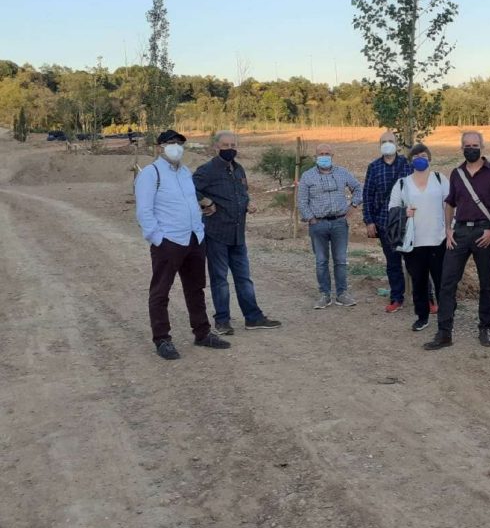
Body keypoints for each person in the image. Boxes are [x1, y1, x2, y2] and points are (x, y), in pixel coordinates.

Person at [134, 129, 231, 360]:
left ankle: (202, 332)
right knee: (161, 291)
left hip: (194, 238)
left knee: (195, 288)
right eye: (170, 143)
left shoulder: (185, 172)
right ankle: (162, 339)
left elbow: (190, 201)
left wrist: (200, 221)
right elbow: (144, 211)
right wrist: (157, 238)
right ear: (160, 147)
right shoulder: (150, 173)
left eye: (179, 143)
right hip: (168, 241)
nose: (176, 147)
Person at [193, 130, 283, 335]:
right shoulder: (207, 170)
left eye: (233, 145)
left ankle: (253, 317)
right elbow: (189, 189)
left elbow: (242, 193)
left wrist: (247, 204)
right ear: (216, 147)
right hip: (217, 233)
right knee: (220, 279)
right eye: (225, 145)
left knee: (244, 278)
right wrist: (205, 202)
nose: (230, 149)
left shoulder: (239, 169)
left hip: (237, 234)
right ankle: (222, 321)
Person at [423, 131, 490, 350]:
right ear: (461, 148)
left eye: (475, 144)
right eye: (467, 145)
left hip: (484, 234)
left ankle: (485, 328)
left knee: (486, 283)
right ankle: (444, 332)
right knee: (447, 282)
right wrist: (448, 230)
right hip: (459, 233)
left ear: (482, 146)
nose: (471, 148)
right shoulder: (456, 173)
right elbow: (450, 203)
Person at [388, 143, 449, 332]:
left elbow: (450, 205)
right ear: (410, 161)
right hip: (414, 242)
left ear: (429, 158)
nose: (419, 159)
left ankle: (446, 318)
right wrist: (404, 212)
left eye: (422, 155)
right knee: (419, 282)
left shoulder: (440, 179)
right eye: (415, 157)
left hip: (438, 239)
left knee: (442, 282)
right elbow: (392, 207)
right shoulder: (402, 183)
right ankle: (422, 316)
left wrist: (450, 229)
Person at [297, 143, 363, 309]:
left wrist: (353, 207)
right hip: (317, 224)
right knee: (321, 261)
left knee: (340, 259)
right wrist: (310, 219)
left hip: (339, 223)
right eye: (321, 153)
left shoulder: (342, 173)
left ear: (332, 156)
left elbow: (358, 188)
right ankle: (324, 294)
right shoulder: (307, 176)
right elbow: (302, 201)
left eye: (327, 153)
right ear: (316, 156)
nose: (324, 156)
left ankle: (342, 293)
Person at [362, 131, 414, 313]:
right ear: (379, 145)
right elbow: (367, 195)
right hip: (385, 224)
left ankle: (426, 298)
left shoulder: (407, 165)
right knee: (393, 264)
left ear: (397, 144)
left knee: (416, 263)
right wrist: (369, 221)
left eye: (390, 141)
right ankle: (396, 298)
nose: (387, 144)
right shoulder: (374, 167)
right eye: (383, 141)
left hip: (408, 223)